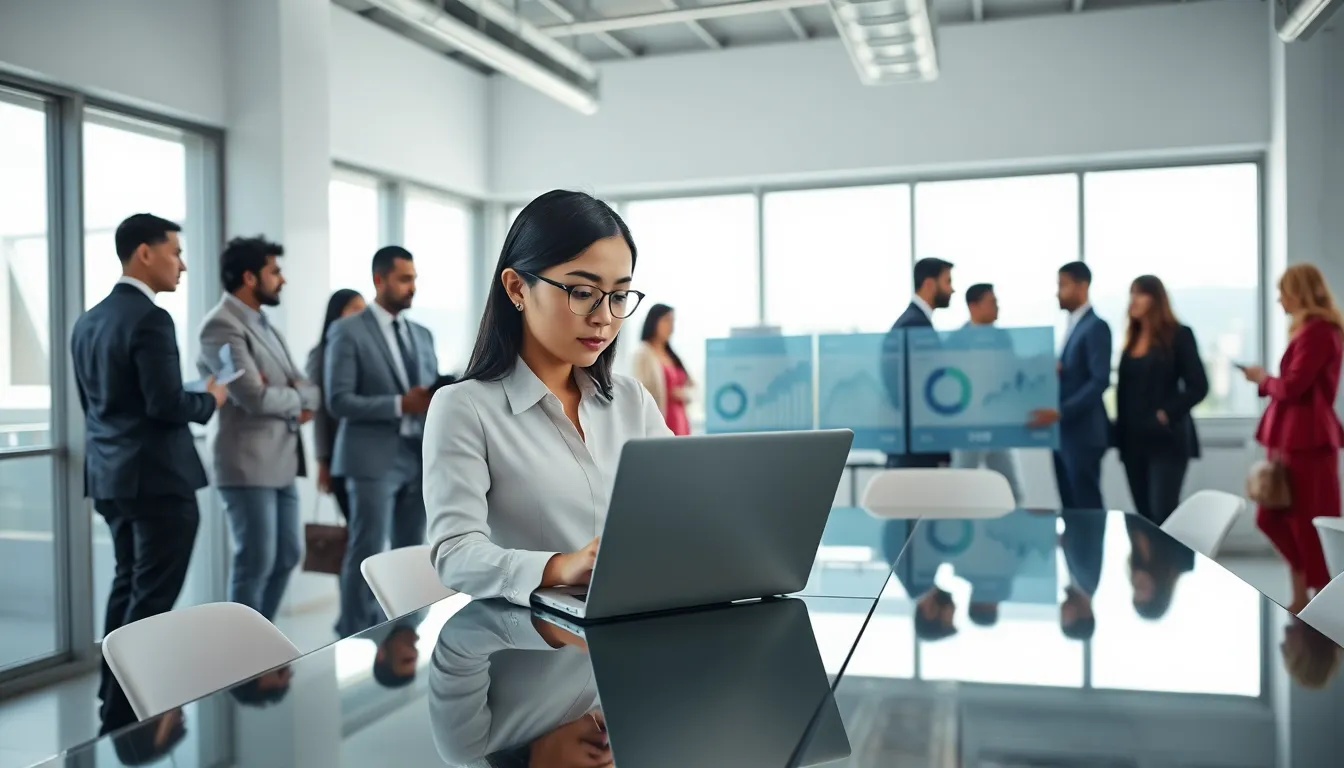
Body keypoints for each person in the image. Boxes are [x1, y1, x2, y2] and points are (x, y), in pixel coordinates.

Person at [423, 189, 667, 606]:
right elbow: (454, 553)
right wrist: (560, 566)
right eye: (581, 291)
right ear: (517, 288)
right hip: (528, 644)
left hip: (636, 624)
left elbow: (686, 508)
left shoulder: (632, 401)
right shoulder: (464, 408)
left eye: (619, 295)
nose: (604, 317)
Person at [70, 213, 227, 733]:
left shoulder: (88, 321)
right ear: (144, 252)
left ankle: (113, 692)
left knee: (127, 585)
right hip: (158, 481)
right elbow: (164, 403)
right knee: (153, 596)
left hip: (111, 478)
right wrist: (210, 398)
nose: (181, 264)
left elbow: (98, 408)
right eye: (175, 252)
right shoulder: (152, 318)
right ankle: (133, 706)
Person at [198, 236, 320, 620]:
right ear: (250, 277)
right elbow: (253, 397)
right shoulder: (221, 325)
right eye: (275, 272)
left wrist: (288, 393)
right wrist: (295, 397)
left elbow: (309, 387)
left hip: (280, 462)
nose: (282, 280)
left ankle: (261, 645)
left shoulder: (263, 323)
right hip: (247, 465)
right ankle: (241, 656)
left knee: (287, 556)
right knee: (256, 562)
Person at [324, 246, 439, 637]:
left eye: (415, 279)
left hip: (417, 456)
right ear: (379, 280)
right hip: (371, 459)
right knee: (367, 549)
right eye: (405, 279)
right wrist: (398, 404)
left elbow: (428, 393)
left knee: (411, 551)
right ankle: (356, 633)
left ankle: (404, 633)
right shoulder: (346, 330)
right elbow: (338, 400)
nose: (413, 287)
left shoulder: (422, 334)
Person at [1242, 264, 1344, 614]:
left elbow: (1293, 386)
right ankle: (1304, 593)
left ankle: (1317, 600)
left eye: (1284, 291)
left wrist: (1262, 378)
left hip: (1307, 439)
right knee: (1275, 517)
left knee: (1306, 521)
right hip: (1291, 436)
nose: (1279, 299)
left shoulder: (1319, 331)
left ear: (1299, 292)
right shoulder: (1310, 330)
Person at [1113, 275, 1208, 526]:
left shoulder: (1179, 335)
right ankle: (1146, 566)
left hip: (1166, 439)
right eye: (1131, 294)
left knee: (1163, 512)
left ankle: (1168, 566)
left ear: (1156, 299)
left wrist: (1165, 414)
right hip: (1133, 441)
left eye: (1139, 294)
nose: (1132, 301)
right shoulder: (1130, 341)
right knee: (1143, 517)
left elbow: (1199, 386)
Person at [1031, 261, 1111, 513]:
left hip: (1083, 434)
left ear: (1082, 286)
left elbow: (1099, 381)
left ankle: (1090, 555)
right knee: (1071, 511)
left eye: (1063, 285)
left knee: (1086, 509)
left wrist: (1062, 411)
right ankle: (1077, 554)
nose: (1058, 292)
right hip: (1064, 434)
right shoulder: (1074, 326)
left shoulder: (1095, 326)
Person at [948, 283, 1024, 503]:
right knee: (960, 488)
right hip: (967, 426)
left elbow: (1013, 374)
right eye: (992, 302)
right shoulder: (955, 341)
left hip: (997, 424)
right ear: (974, 306)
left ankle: (1013, 533)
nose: (997, 307)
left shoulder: (1003, 338)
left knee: (1012, 490)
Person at [882, 257, 954, 469]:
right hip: (916, 445)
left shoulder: (912, 321)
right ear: (930, 284)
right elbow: (921, 388)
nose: (952, 290)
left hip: (912, 440)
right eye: (948, 281)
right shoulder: (915, 325)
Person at [305, 289, 367, 521]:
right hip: (338, 455)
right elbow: (319, 411)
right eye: (355, 310)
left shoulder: (361, 352)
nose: (362, 317)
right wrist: (323, 460)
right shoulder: (321, 354)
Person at [632, 303, 691, 435]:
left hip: (681, 419)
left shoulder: (672, 355)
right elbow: (639, 388)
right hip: (662, 418)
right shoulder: (643, 353)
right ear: (654, 321)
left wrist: (684, 394)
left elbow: (691, 385)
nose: (671, 326)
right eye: (666, 320)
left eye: (672, 321)